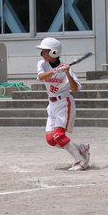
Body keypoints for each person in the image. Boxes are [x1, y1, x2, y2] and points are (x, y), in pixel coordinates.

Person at [35, 37, 90, 171]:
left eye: (45, 51)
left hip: (64, 103)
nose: (43, 54)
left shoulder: (66, 68)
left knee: (59, 135)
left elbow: (75, 89)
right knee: (51, 140)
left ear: (54, 52)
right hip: (52, 104)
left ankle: (81, 161)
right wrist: (56, 71)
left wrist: (67, 73)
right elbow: (41, 77)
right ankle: (81, 148)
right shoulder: (42, 64)